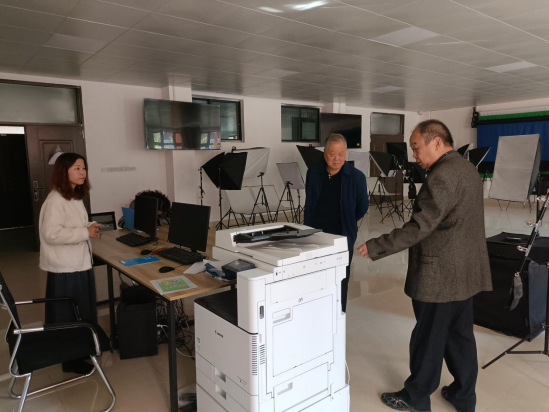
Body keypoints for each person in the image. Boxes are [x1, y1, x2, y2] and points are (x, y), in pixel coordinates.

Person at [358, 120, 492, 412]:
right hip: (464, 271)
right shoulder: (467, 168)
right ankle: (463, 395)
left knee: (428, 338)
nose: (414, 155)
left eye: (416, 147)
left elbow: (420, 227)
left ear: (437, 142)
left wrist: (378, 245)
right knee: (460, 336)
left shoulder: (441, 176)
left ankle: (415, 397)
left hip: (440, 274)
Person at [39, 153, 103, 374]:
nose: (82, 172)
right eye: (77, 168)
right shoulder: (56, 200)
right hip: (67, 268)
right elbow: (51, 234)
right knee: (68, 314)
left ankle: (83, 348)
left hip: (78, 263)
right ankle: (69, 359)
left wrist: (89, 226)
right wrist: (85, 232)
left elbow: (73, 225)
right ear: (63, 171)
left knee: (81, 310)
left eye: (84, 168)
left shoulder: (73, 196)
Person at [304, 133, 369, 313]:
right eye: (332, 154)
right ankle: (317, 312)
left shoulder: (356, 177)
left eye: (341, 154)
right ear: (325, 153)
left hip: (342, 236)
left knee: (341, 279)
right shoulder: (313, 173)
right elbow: (310, 202)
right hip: (316, 235)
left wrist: (348, 220)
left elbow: (362, 207)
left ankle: (339, 314)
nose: (337, 158)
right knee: (316, 276)